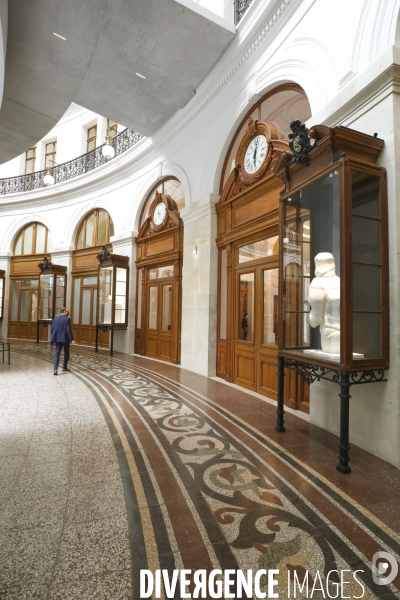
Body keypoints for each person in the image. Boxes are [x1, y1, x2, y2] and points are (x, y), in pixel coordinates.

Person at [51, 307, 75, 375]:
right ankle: (64, 367)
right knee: (66, 353)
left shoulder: (55, 319)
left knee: (57, 353)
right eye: (67, 311)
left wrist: (52, 338)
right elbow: (68, 330)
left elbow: (52, 329)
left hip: (57, 339)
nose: (67, 313)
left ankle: (55, 369)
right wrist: (72, 339)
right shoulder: (67, 319)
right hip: (65, 339)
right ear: (64, 312)